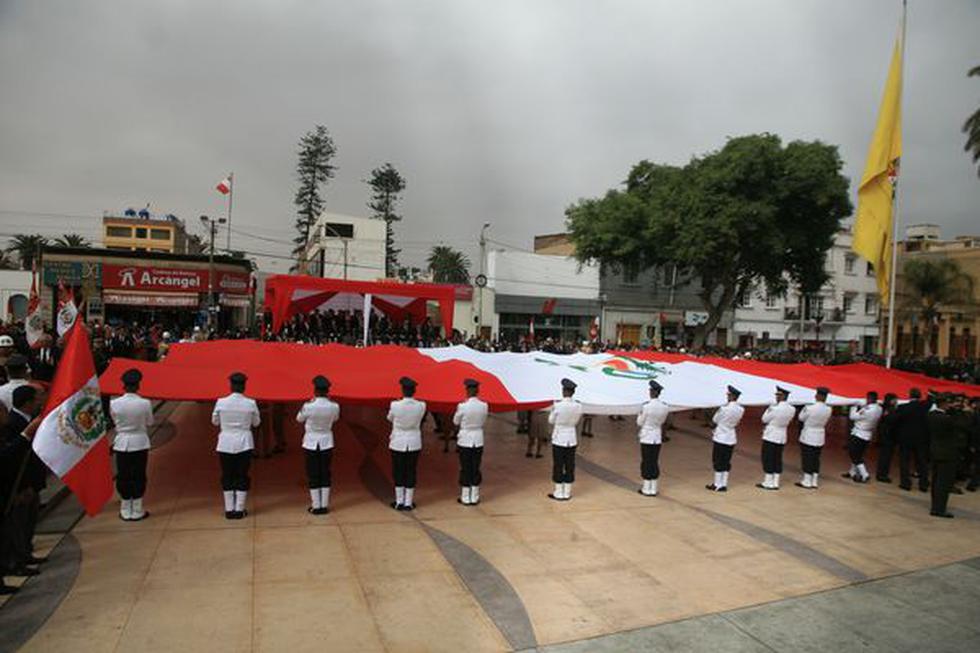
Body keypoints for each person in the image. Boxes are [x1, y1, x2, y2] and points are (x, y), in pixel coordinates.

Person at [212, 372, 260, 519]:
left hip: (225, 442)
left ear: (231, 385)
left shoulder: (220, 402)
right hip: (244, 442)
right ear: (244, 386)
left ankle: (229, 509)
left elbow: (215, 422)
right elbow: (256, 423)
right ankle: (239, 509)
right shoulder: (251, 403)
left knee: (227, 474)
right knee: (242, 475)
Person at [109, 369, 154, 521]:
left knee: (123, 475)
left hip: (122, 442)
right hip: (140, 442)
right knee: (139, 475)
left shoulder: (114, 403)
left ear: (124, 385)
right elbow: (150, 422)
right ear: (138, 385)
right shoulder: (145, 403)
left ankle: (125, 508)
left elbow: (115, 421)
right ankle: (137, 509)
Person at [296, 375, 340, 515]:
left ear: (315, 390)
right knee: (325, 473)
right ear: (327, 391)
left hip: (311, 443)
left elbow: (299, 419)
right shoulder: (334, 406)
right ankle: (324, 505)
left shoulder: (308, 406)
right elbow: (336, 419)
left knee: (313, 473)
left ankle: (316, 505)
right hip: (327, 442)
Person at [387, 376, 426, 511]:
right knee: (411, 471)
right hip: (414, 441)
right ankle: (408, 502)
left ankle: (399, 501)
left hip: (398, 441)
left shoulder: (395, 405)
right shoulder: (421, 405)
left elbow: (389, 418)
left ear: (402, 390)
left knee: (398, 471)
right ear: (414, 391)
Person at [927, 393, 967, 518]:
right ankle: (939, 508)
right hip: (947, 453)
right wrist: (960, 410)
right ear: (944, 404)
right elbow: (964, 424)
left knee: (936, 480)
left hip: (935, 450)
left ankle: (935, 505)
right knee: (943, 483)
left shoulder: (931, 415)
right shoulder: (947, 419)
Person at [453, 378, 488, 506]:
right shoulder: (484, 405)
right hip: (478, 439)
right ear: (477, 391)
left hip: (465, 439)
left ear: (468, 390)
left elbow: (455, 421)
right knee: (475, 467)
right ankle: (475, 496)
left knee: (465, 467)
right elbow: (483, 420)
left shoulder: (462, 406)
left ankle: (465, 497)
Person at [548, 378, 583, 501]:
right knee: (569, 464)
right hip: (571, 438)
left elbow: (551, 421)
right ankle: (567, 492)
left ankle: (558, 492)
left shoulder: (558, 405)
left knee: (558, 464)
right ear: (573, 392)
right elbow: (577, 421)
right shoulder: (578, 405)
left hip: (559, 438)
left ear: (564, 391)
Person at [707, 386, 744, 492]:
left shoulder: (724, 408)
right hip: (731, 436)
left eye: (728, 395)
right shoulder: (741, 409)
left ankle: (717, 484)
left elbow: (715, 419)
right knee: (726, 461)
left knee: (718, 460)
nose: (727, 396)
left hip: (721, 436)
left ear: (732, 396)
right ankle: (724, 484)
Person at [758, 386, 795, 491]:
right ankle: (776, 482)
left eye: (778, 395)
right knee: (777, 458)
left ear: (783, 396)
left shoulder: (774, 408)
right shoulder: (792, 409)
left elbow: (764, 419)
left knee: (768, 458)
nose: (776, 397)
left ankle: (768, 482)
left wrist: (769, 408)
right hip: (782, 435)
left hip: (771, 435)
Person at [895, 388, 931, 492]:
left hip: (905, 438)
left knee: (904, 461)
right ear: (920, 396)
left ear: (909, 395)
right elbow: (930, 400)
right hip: (921, 438)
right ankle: (923, 484)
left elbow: (896, 420)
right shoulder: (925, 406)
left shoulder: (903, 407)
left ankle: (905, 483)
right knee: (922, 461)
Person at [636, 380, 668, 497]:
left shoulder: (647, 406)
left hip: (647, 437)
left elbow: (640, 422)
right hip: (657, 437)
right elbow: (663, 422)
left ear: (652, 392)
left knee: (646, 462)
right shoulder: (664, 406)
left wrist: (640, 415)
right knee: (654, 461)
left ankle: (646, 487)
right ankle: (653, 488)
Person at [795, 386, 832, 489]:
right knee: (816, 458)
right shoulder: (829, 409)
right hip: (820, 435)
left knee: (807, 457)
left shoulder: (810, 408)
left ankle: (807, 481)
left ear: (817, 396)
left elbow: (801, 418)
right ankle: (814, 480)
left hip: (809, 435)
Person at [843, 391, 882, 483]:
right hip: (867, 434)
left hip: (859, 434)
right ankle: (852, 472)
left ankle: (864, 474)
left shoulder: (867, 410)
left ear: (870, 398)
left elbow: (852, 417)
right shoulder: (879, 408)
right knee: (858, 453)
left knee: (854, 454)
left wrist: (853, 406)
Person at [875, 393, 900, 483]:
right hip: (888, 437)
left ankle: (881, 473)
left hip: (885, 436)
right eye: (895, 399)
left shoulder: (883, 408)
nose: (896, 401)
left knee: (884, 455)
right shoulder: (891, 410)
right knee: (886, 456)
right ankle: (882, 475)